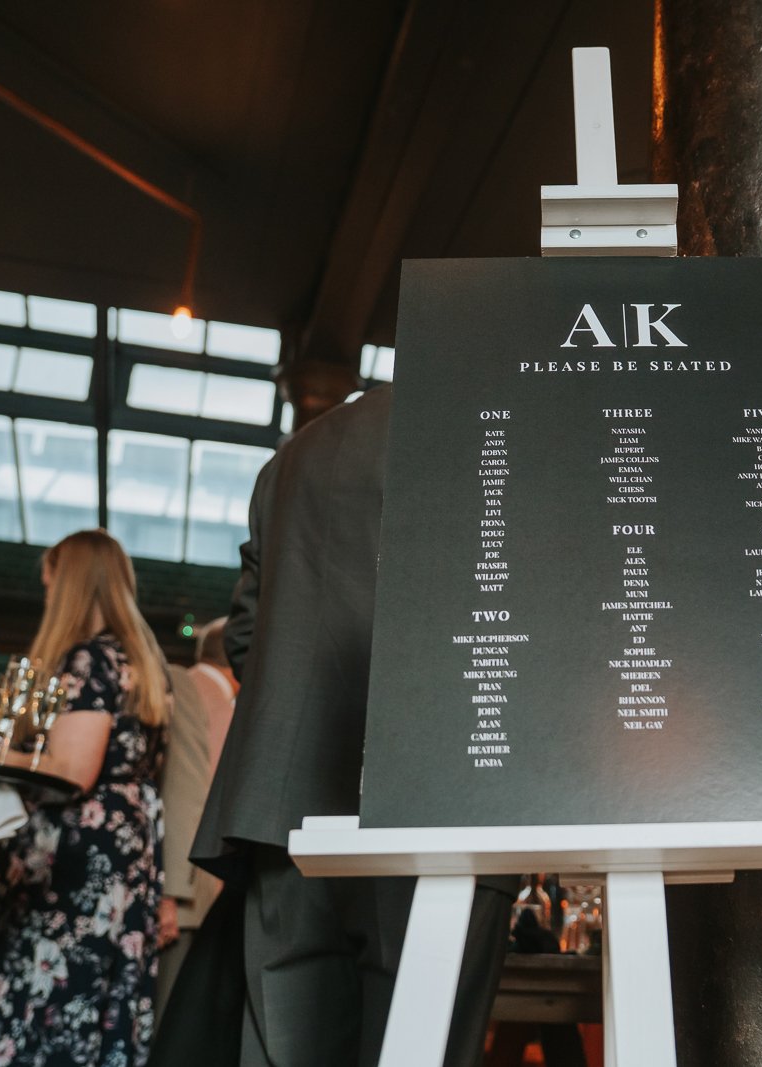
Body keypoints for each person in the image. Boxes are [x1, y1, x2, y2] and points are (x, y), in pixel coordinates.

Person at [183, 385, 513, 1067]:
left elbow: (245, 638)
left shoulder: (295, 454)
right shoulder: (494, 427)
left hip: (286, 815)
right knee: (422, 1049)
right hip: (447, 804)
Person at [0, 528, 171, 1067]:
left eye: (50, 585)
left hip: (72, 866)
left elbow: (74, 769)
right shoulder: (143, 662)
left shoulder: (91, 660)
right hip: (122, 861)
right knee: (93, 1007)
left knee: (43, 1004)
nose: (48, 597)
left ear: (67, 584)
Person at [156, 618, 235, 1016]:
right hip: (188, 888)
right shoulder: (199, 692)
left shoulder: (190, 686)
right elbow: (186, 792)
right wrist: (172, 891)